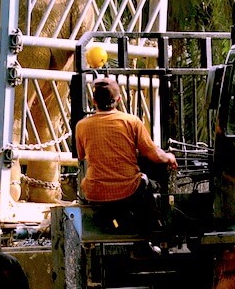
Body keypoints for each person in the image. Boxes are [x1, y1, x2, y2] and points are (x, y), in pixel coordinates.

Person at [75, 77, 177, 247]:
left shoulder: (82, 126)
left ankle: (97, 236)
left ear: (94, 101)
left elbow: (80, 155)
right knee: (153, 186)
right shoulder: (131, 122)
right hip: (128, 191)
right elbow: (153, 155)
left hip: (95, 192)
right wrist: (170, 157)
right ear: (118, 99)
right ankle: (149, 241)